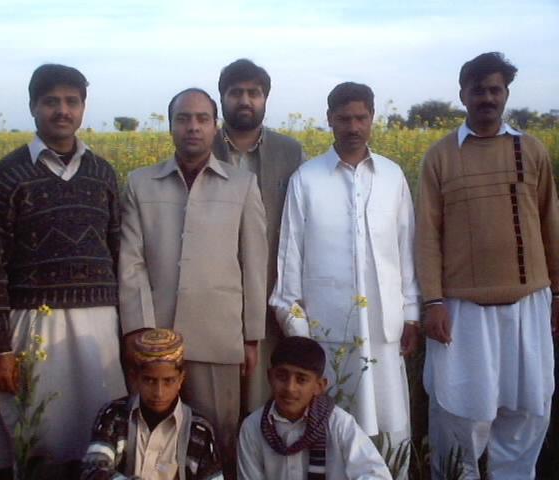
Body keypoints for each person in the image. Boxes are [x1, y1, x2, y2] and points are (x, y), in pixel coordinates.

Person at [0, 64, 127, 477]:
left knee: (101, 438)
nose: (62, 111)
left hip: (98, 328)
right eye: (51, 101)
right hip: (32, 328)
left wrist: (126, 330)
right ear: (32, 107)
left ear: (83, 108)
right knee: (37, 439)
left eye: (72, 101)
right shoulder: (7, 175)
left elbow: (119, 254)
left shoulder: (103, 173)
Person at [416, 52, 558, 479]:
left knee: (527, 410)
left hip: (528, 305)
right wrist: (433, 301)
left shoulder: (531, 150)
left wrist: (557, 294)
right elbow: (427, 234)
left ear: (506, 94)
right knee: (460, 411)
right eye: (478, 90)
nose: (487, 98)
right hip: (463, 311)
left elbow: (551, 223)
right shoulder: (440, 156)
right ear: (463, 94)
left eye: (495, 90)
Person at [269, 82, 420, 475]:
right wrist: (298, 330)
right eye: (344, 118)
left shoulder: (391, 176)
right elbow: (290, 255)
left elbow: (405, 249)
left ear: (372, 118)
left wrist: (411, 314)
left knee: (390, 427)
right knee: (332, 430)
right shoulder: (307, 179)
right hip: (327, 335)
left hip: (384, 330)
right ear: (330, 120)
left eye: (361, 118)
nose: (353, 127)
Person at [118, 87, 268, 477]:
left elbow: (254, 265)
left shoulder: (241, 184)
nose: (193, 127)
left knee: (218, 439)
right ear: (170, 126)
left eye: (202, 119)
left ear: (216, 126)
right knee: (149, 441)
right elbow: (131, 263)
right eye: (183, 118)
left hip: (219, 337)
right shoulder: (140, 184)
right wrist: (138, 329)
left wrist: (251, 336)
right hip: (154, 340)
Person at [213, 59, 306, 412]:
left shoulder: (290, 153)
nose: (245, 100)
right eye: (236, 92)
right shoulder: (202, 146)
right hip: (214, 290)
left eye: (254, 93)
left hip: (271, 291)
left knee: (266, 394)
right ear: (222, 97)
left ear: (266, 98)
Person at [237, 336, 392, 479]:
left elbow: (378, 475)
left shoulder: (339, 424)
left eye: (301, 379)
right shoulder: (253, 427)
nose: (290, 388)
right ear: (270, 377)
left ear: (319, 386)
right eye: (282, 376)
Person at [81, 328, 223, 480]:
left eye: (168, 381)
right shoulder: (114, 415)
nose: (159, 392)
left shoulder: (199, 430)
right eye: (149, 380)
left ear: (181, 380)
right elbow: (92, 469)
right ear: (135, 377)